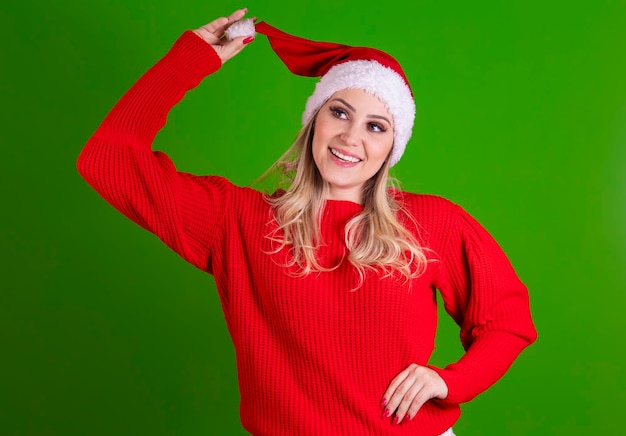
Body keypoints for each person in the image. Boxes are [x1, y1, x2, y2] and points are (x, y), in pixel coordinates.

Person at [77, 8, 537, 436]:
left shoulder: (433, 221)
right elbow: (107, 159)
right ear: (314, 120)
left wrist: (448, 381)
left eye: (376, 126)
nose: (351, 137)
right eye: (339, 112)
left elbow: (507, 321)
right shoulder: (236, 220)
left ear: (391, 146)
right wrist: (189, 61)